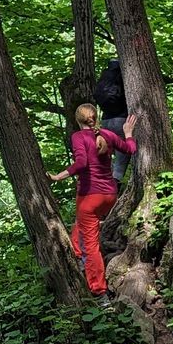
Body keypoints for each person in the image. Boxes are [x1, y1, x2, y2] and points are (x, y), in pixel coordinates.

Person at [50, 102, 138, 299]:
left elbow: (81, 163)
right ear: (95, 117)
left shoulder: (78, 137)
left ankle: (99, 293)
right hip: (109, 195)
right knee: (80, 228)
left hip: (90, 196)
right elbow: (130, 149)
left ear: (78, 120)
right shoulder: (108, 135)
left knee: (91, 246)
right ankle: (80, 259)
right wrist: (129, 132)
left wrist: (58, 176)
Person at [93, 57, 129, 182]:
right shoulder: (123, 76)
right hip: (121, 120)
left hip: (106, 121)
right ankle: (115, 183)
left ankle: (104, 181)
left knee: (110, 154)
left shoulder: (104, 77)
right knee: (122, 154)